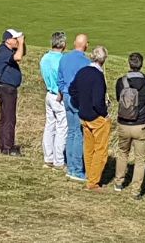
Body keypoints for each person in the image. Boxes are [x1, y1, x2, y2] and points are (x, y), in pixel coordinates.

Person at [114, 52, 145, 199]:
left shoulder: (121, 81)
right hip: (141, 125)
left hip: (124, 124)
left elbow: (118, 97)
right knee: (140, 159)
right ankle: (135, 190)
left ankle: (118, 182)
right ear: (141, 65)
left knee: (122, 152)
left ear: (129, 64)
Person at [70, 45, 111, 191]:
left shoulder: (83, 71)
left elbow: (72, 89)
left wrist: (81, 103)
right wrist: (104, 113)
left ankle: (90, 175)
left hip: (84, 114)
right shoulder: (98, 76)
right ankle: (93, 181)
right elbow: (97, 101)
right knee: (100, 149)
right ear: (103, 59)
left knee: (89, 148)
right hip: (96, 116)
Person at [58, 34, 90, 182]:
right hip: (77, 98)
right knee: (77, 133)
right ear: (86, 45)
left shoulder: (64, 58)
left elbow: (60, 79)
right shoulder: (85, 62)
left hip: (65, 96)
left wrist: (63, 91)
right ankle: (76, 169)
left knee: (71, 131)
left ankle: (70, 165)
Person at [0, 29, 25, 156]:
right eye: (15, 39)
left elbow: (21, 53)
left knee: (5, 117)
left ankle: (1, 146)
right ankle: (7, 147)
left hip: (5, 88)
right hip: (7, 89)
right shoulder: (4, 52)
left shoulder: (4, 50)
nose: (17, 41)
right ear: (8, 40)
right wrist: (21, 43)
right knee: (9, 118)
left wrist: (21, 43)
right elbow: (18, 57)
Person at [40, 32, 68, 170]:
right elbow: (63, 79)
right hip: (59, 96)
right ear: (63, 44)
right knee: (62, 128)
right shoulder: (62, 60)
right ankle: (58, 161)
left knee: (50, 126)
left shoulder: (45, 58)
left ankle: (48, 157)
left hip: (49, 93)